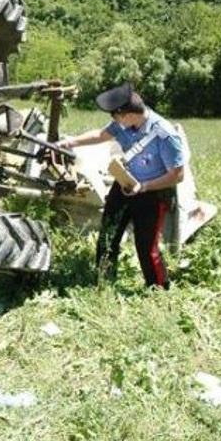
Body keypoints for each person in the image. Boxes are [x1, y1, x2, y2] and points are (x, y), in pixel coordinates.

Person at [60, 82, 185, 290]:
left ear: (128, 115)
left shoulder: (165, 135)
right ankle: (104, 282)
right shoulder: (124, 124)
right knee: (108, 235)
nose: (113, 121)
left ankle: (160, 289)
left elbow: (177, 176)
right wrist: (72, 142)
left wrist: (144, 187)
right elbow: (101, 135)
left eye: (115, 117)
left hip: (152, 194)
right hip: (123, 185)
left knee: (146, 247)